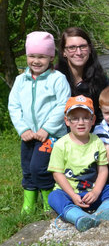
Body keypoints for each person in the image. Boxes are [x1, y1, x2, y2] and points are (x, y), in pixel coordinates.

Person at [9, 31, 71, 214]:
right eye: (32, 56)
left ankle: (48, 202)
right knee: (27, 168)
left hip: (49, 136)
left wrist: (47, 129)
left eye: (42, 57)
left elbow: (63, 105)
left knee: (40, 168)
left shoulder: (57, 79)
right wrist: (23, 128)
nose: (36, 61)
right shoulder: (21, 80)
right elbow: (14, 106)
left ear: (51, 57)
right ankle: (28, 203)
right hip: (28, 135)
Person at [47, 96, 109, 232]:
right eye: (75, 118)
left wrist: (96, 192)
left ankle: (103, 211)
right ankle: (77, 216)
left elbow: (103, 170)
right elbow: (57, 174)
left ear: (93, 120)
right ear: (67, 121)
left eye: (85, 118)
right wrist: (73, 195)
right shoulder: (61, 144)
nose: (81, 123)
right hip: (70, 194)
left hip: (92, 193)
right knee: (54, 197)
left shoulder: (96, 141)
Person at [57, 27, 109, 124]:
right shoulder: (55, 79)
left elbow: (108, 112)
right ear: (63, 52)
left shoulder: (101, 80)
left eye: (83, 46)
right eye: (72, 48)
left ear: (90, 49)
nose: (78, 52)